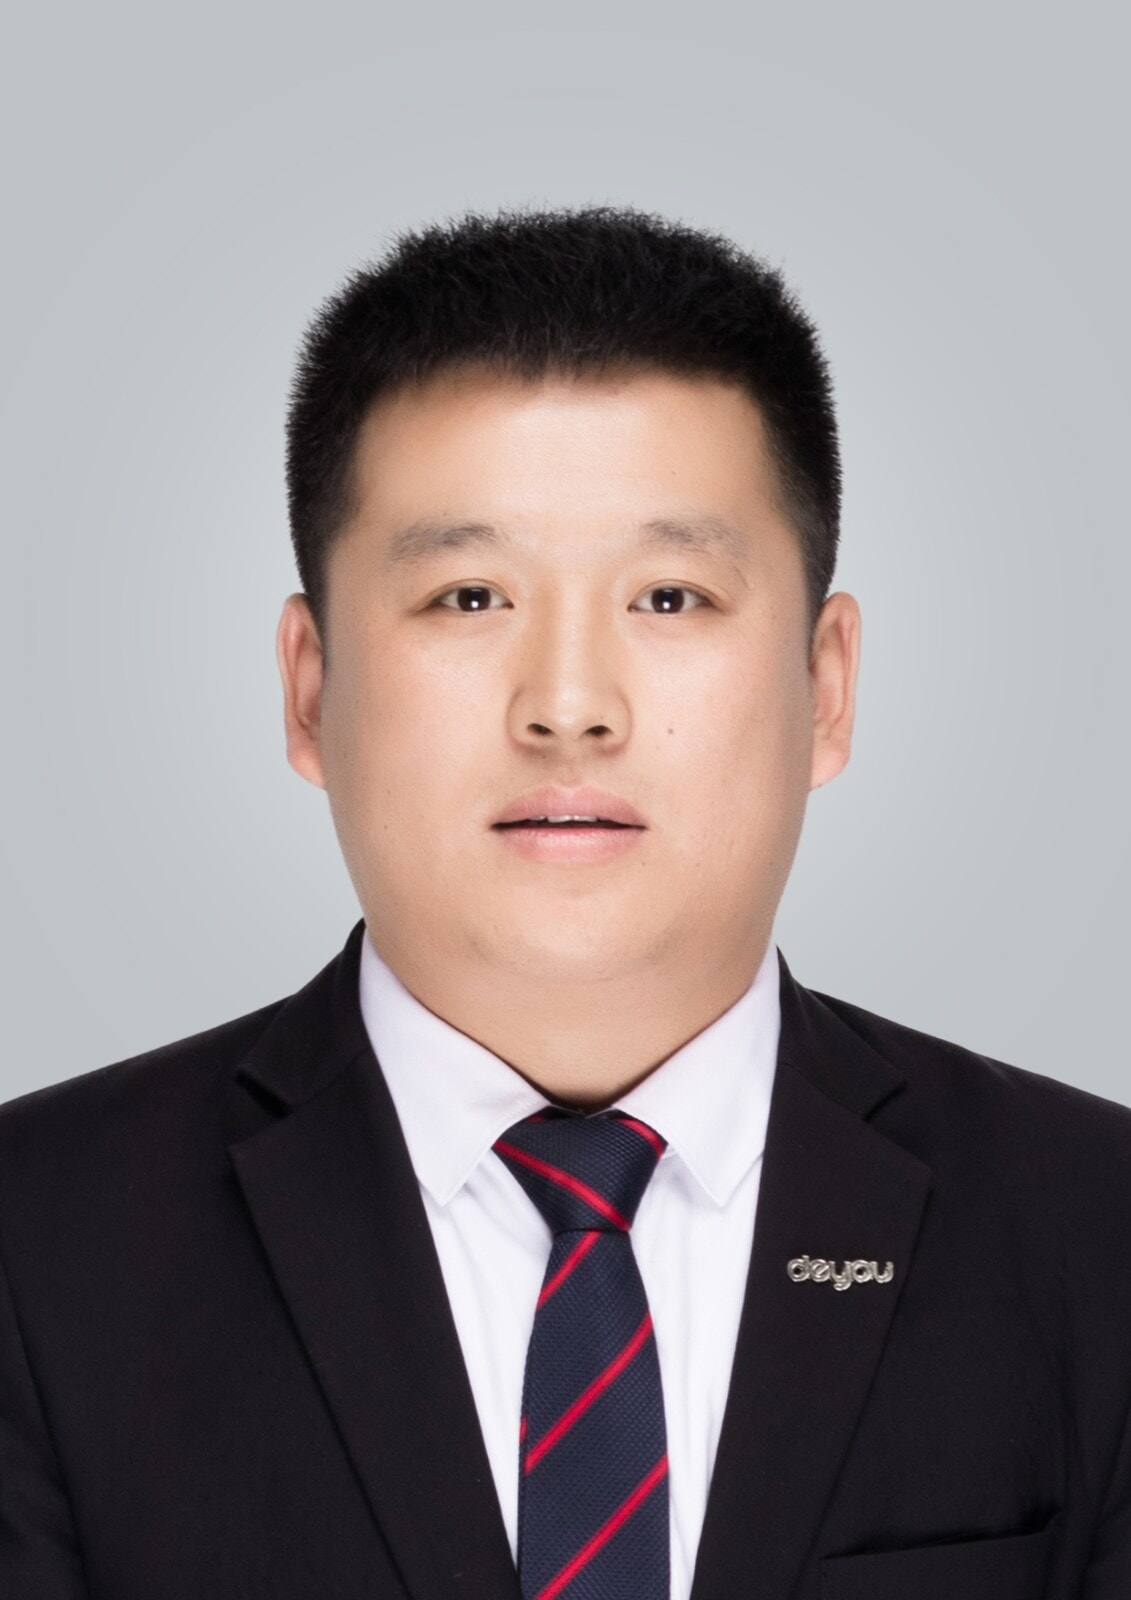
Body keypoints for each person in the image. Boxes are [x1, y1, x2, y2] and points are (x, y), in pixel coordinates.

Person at [1, 205, 1128, 1600]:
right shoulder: (36, 1249)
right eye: (470, 596)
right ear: (309, 689)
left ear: (825, 685)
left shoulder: (1096, 1235)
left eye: (670, 597)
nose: (570, 707)